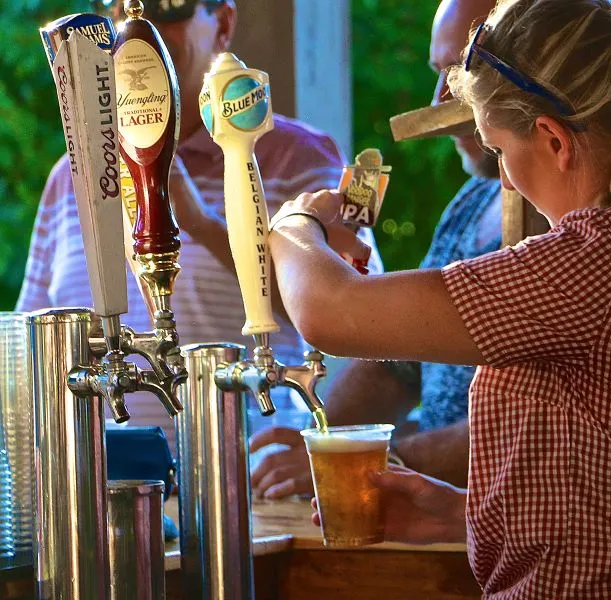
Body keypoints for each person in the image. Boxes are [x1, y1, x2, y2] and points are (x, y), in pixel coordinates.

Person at [272, 0, 611, 596]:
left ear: (553, 140)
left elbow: (328, 312)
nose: (507, 179)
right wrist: (465, 515)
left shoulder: (593, 267)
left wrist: (293, 224)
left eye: (497, 150)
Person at [18, 0, 382, 445]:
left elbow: (361, 322)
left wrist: (200, 221)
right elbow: (27, 346)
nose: (137, 28)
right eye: (116, 8)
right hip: (98, 485)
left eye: (168, 8)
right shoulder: (71, 175)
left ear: (224, 23)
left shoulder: (298, 158)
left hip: (245, 480)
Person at [248, 0, 501, 495]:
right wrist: (320, 445)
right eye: (438, 73)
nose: (438, 100)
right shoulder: (469, 203)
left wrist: (295, 226)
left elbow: (525, 432)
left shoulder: (577, 227)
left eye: (461, 70)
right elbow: (399, 365)